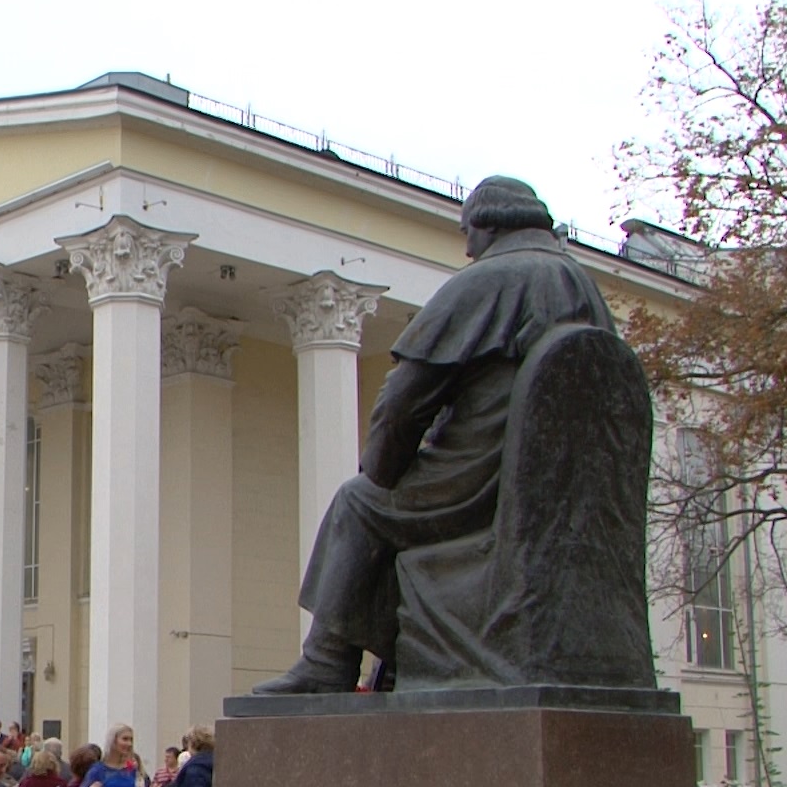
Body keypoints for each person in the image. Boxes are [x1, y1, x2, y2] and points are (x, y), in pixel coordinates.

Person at [254, 176, 619, 695]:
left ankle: (329, 663)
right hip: (555, 496)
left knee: (359, 502)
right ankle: (401, 659)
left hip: (479, 481)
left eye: (467, 229)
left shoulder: (491, 279)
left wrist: (382, 470)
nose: (466, 245)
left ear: (489, 225)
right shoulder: (583, 289)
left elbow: (404, 401)